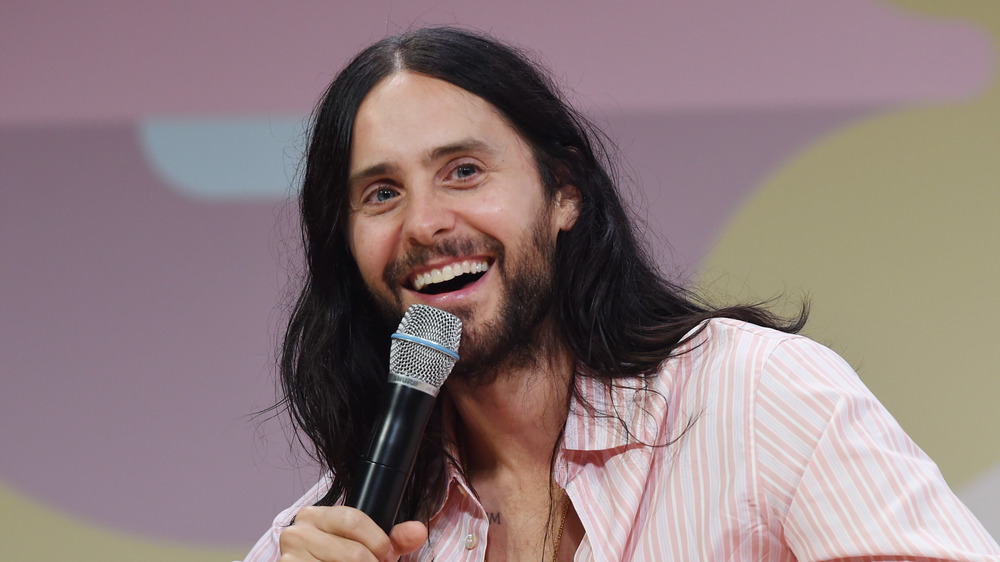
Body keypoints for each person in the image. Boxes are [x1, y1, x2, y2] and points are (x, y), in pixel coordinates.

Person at [244, 27, 1000, 561]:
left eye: (464, 171)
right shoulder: (324, 539)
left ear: (564, 192)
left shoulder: (758, 397)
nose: (426, 223)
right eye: (380, 194)